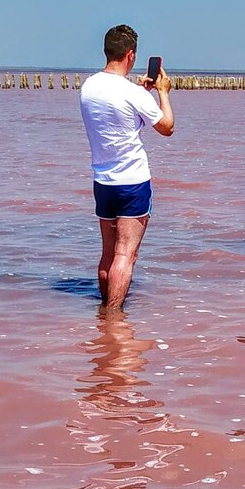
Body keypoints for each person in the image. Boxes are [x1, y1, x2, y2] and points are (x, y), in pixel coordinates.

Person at [80, 24, 174, 311]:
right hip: (132, 181)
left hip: (102, 180)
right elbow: (167, 127)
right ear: (131, 55)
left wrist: (140, 92)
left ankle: (104, 311)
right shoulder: (134, 94)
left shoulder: (89, 87)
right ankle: (114, 315)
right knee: (126, 254)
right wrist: (163, 93)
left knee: (108, 252)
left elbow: (116, 111)